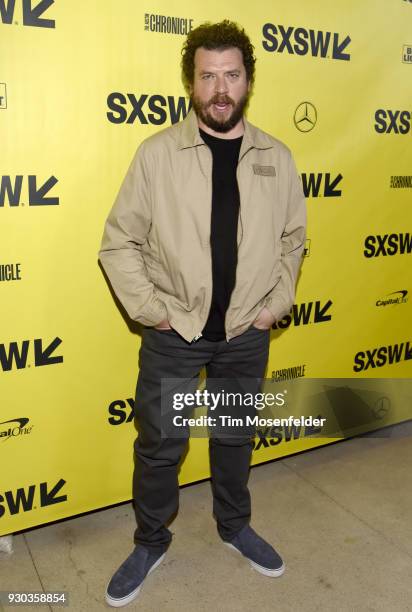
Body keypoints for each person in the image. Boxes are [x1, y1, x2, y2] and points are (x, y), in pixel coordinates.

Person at [98, 19, 306, 608]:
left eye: (231, 76)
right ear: (192, 83)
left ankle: (234, 526)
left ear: (248, 82)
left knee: (235, 436)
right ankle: (150, 540)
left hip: (246, 332)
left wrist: (275, 306)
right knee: (161, 444)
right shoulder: (157, 154)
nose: (220, 88)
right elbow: (119, 243)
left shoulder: (278, 157)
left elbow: (294, 238)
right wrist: (153, 313)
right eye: (208, 76)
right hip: (176, 334)